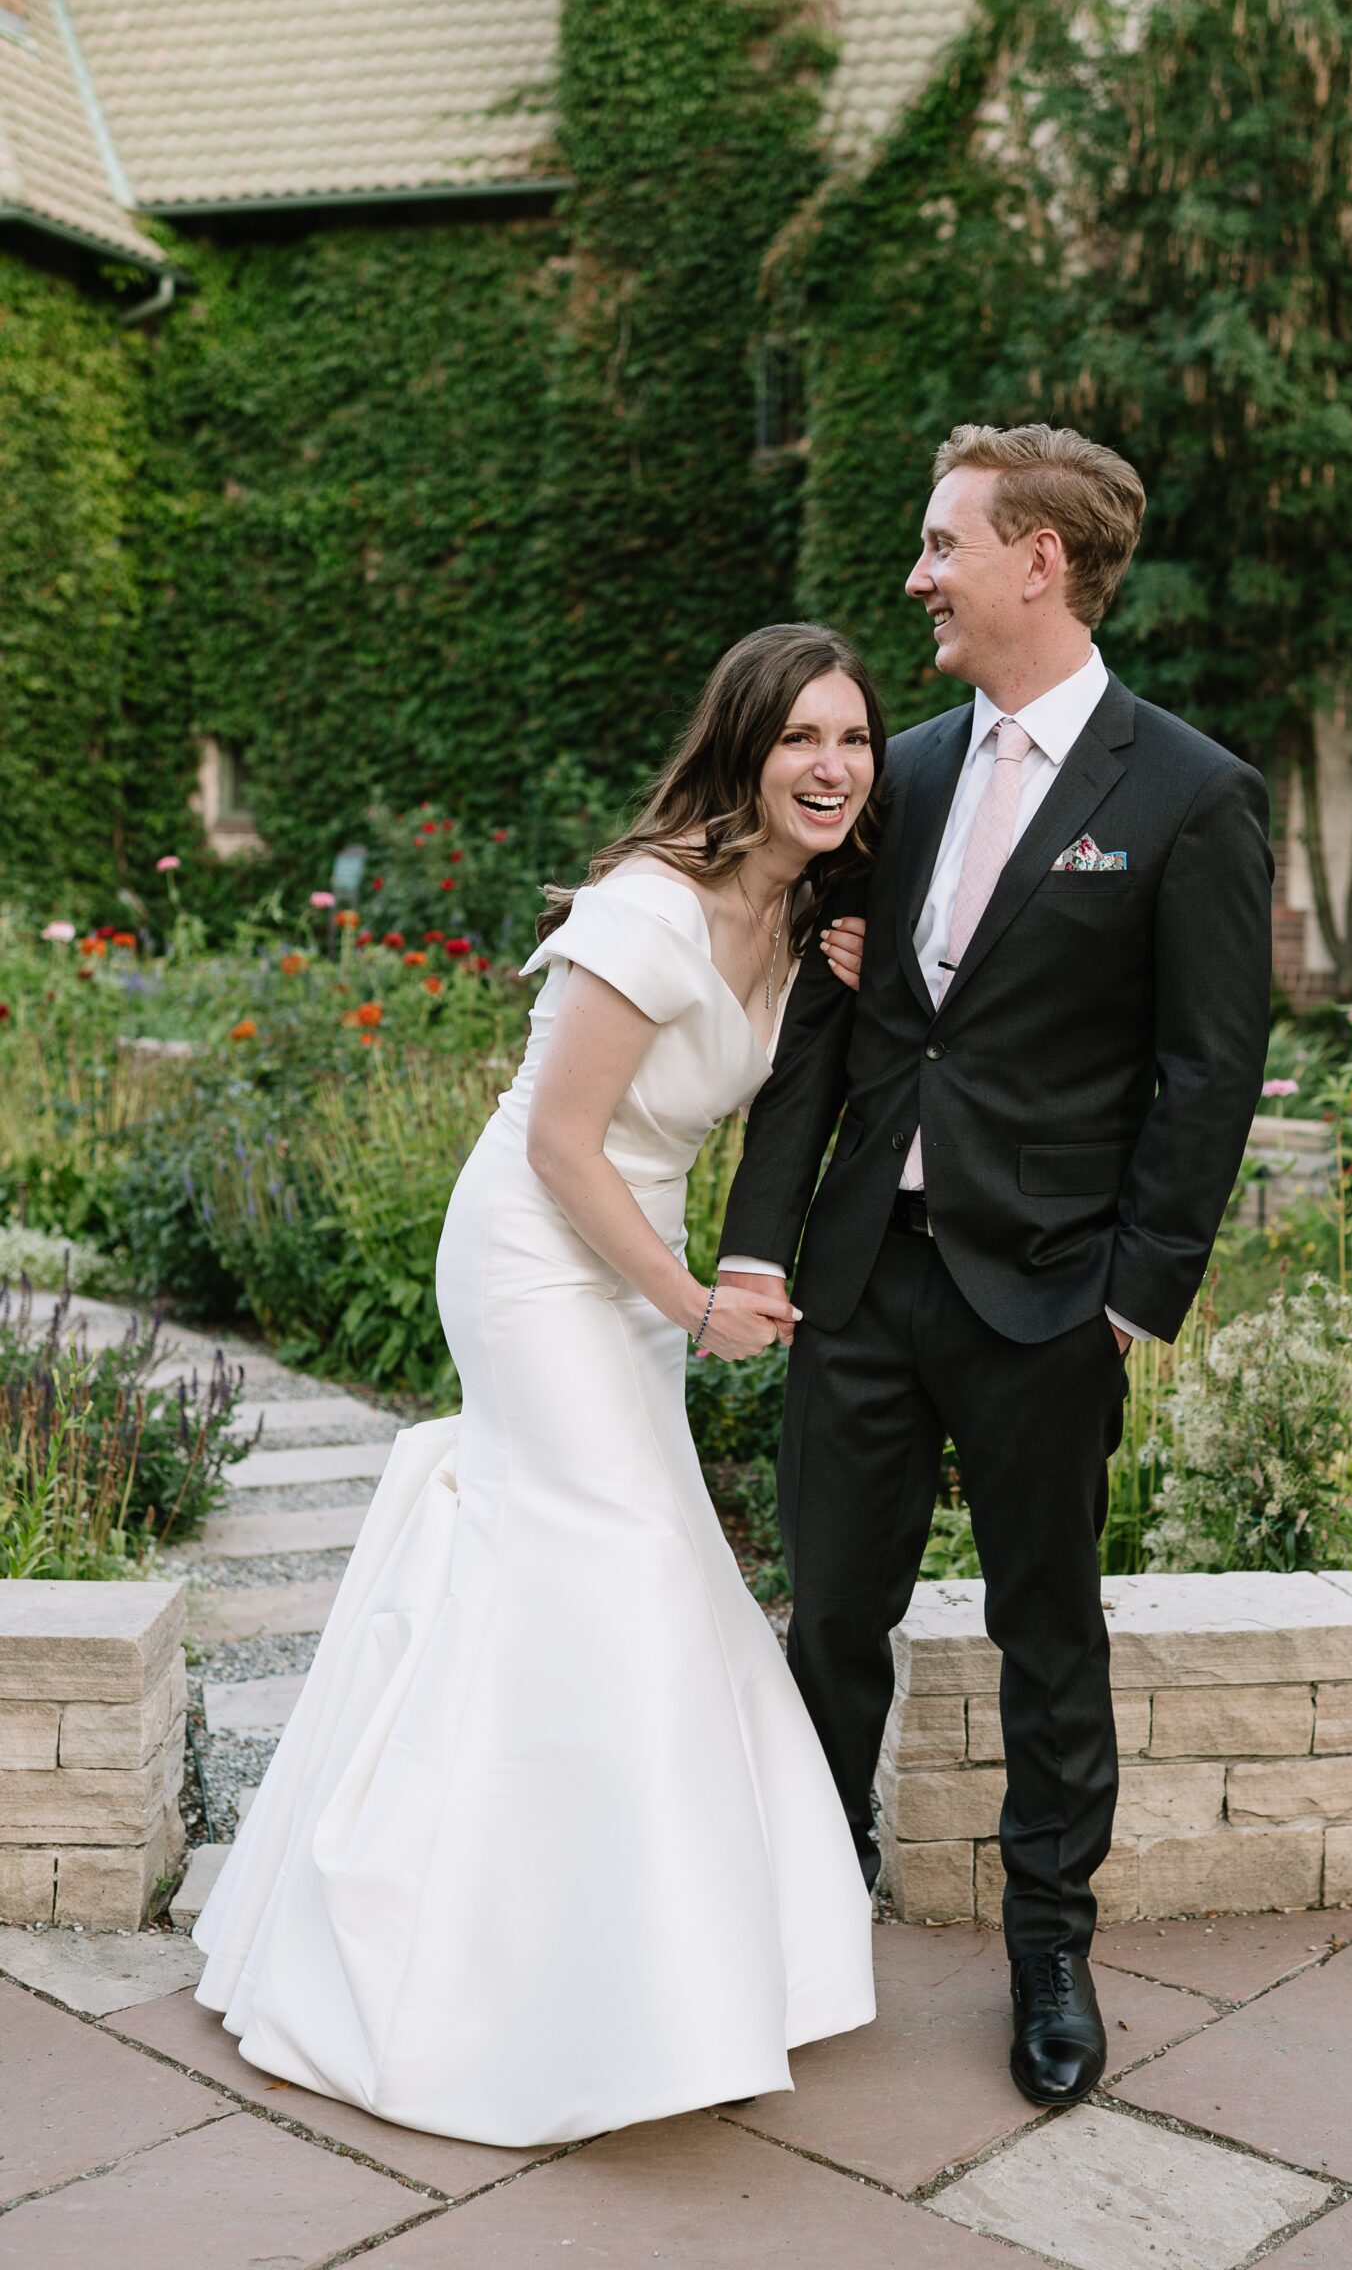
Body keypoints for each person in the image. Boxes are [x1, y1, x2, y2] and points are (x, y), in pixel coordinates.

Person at [193, 625, 881, 2148]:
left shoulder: (806, 916)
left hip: (628, 1262)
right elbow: (562, 1144)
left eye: (853, 740)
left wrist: (846, 966)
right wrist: (695, 1303)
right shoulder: (650, 912)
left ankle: (651, 1959)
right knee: (625, 1557)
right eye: (800, 740)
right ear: (745, 750)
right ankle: (519, 1991)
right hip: (536, 1254)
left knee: (617, 1567)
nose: (831, 767)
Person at [719, 423, 1273, 2111]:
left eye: (944, 541)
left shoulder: (1191, 793)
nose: (918, 577)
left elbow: (1211, 1066)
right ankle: (813, 1934)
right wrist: (756, 1245)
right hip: (860, 1277)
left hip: (1046, 1294)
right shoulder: (908, 775)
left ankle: (1050, 1948)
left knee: (1051, 1627)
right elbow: (832, 1023)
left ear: (1040, 558)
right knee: (831, 1618)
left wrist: (1135, 1290)